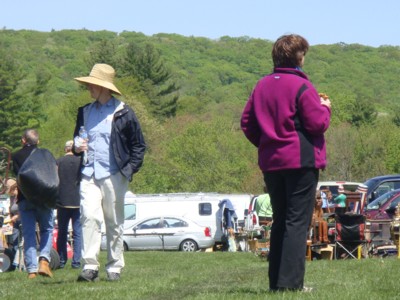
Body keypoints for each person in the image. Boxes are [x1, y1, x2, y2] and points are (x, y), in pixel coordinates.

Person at [241, 34, 331, 292]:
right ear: (298, 57)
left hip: (272, 163)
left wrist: (268, 143)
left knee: (280, 220)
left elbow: (247, 123)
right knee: (296, 222)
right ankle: (290, 285)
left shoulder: (262, 85)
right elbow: (317, 123)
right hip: (300, 161)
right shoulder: (302, 86)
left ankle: (276, 283)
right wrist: (325, 107)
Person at [73, 63, 146, 282]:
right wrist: (76, 146)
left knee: (114, 221)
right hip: (88, 174)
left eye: (92, 85)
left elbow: (139, 146)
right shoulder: (84, 112)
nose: (89, 88)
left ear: (104, 87)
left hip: (114, 174)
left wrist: (128, 170)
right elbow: (77, 140)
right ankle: (89, 266)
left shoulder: (124, 113)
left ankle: (114, 266)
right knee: (89, 217)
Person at [12, 129, 54, 279]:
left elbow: (19, 177)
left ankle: (31, 270)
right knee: (47, 230)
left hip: (25, 198)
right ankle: (44, 260)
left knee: (29, 233)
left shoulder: (16, 156)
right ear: (38, 141)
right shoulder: (45, 154)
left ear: (24, 140)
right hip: (44, 198)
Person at [56, 140, 82, 269]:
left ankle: (62, 259)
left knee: (62, 232)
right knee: (77, 232)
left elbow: (55, 181)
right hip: (78, 201)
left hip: (62, 202)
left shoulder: (59, 162)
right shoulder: (81, 161)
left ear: (66, 149)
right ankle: (76, 261)